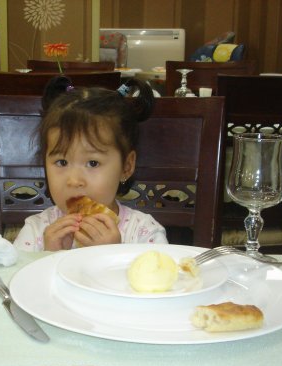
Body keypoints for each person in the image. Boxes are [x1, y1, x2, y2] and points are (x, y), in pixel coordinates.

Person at [13, 76, 168, 252]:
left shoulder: (143, 232)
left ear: (126, 166)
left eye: (93, 163)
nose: (74, 181)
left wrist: (111, 255)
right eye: (62, 162)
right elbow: (17, 271)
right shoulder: (36, 231)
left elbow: (160, 270)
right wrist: (48, 256)